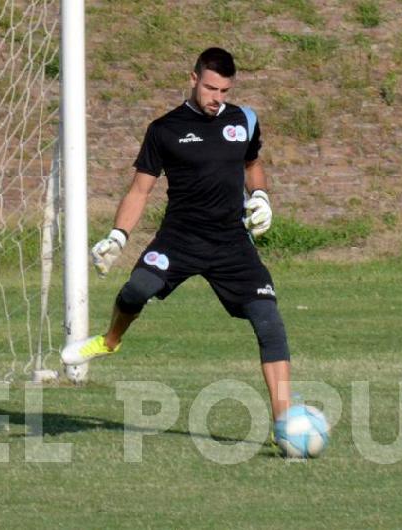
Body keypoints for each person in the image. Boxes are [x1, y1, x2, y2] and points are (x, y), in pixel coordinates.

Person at [61, 47, 292, 428]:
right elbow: (139, 190)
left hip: (231, 243)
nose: (217, 99)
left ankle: (284, 425)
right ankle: (110, 340)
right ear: (193, 79)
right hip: (179, 239)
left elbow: (252, 164)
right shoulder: (164, 129)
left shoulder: (244, 120)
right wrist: (118, 237)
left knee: (269, 322)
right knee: (136, 289)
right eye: (211, 88)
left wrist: (262, 196)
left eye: (225, 91)